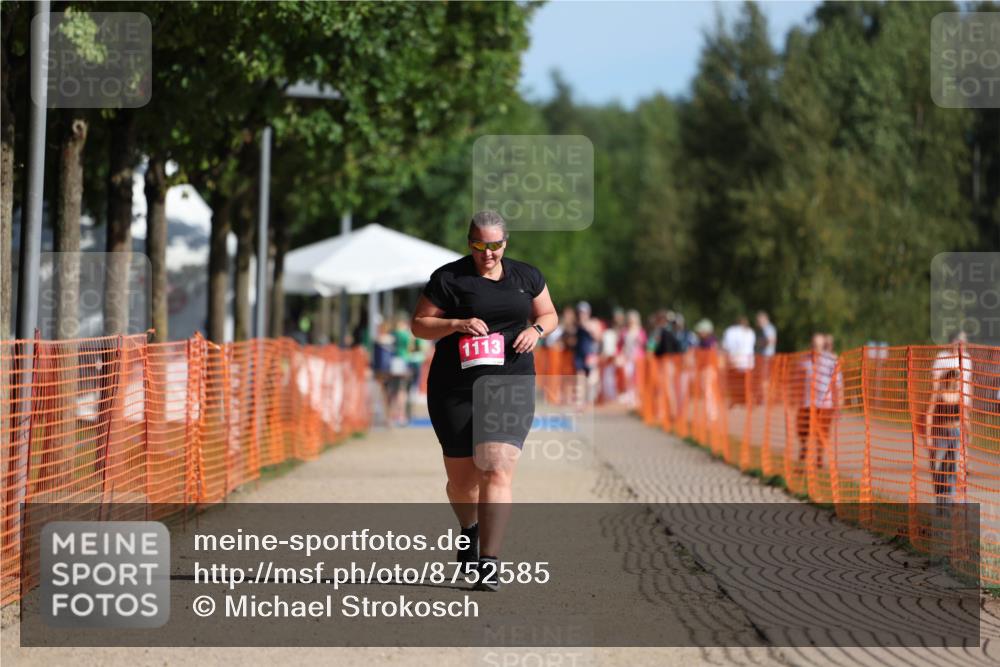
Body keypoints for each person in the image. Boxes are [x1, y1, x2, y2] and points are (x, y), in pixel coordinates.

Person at [411, 211, 558, 591]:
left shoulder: (526, 276)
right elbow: (419, 323)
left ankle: (489, 562)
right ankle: (469, 530)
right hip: (454, 387)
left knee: (496, 465)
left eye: (494, 245)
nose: (487, 253)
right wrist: (455, 324)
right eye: (479, 245)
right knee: (461, 483)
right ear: (469, 242)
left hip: (510, 380)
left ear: (505, 243)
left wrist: (537, 330)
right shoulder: (449, 278)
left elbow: (548, 313)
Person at [796, 333, 841, 472]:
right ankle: (804, 453)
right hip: (806, 403)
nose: (815, 348)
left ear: (823, 346)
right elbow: (796, 380)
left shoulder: (831, 361)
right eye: (813, 345)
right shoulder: (804, 360)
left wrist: (838, 404)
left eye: (818, 346)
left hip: (825, 404)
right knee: (802, 431)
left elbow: (838, 383)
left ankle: (819, 459)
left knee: (822, 433)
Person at [925, 369, 963, 505]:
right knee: (938, 466)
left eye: (958, 380)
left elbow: (965, 417)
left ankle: (951, 497)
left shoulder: (960, 395)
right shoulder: (939, 394)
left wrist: (967, 434)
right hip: (941, 434)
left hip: (956, 434)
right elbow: (930, 413)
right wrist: (929, 436)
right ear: (948, 379)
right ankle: (940, 496)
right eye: (955, 379)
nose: (957, 382)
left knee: (954, 468)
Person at [721, 316, 756, 405]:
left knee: (735, 383)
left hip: (734, 360)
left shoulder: (730, 331)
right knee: (746, 382)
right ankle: (746, 399)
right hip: (748, 361)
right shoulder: (750, 332)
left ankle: (737, 399)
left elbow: (726, 346)